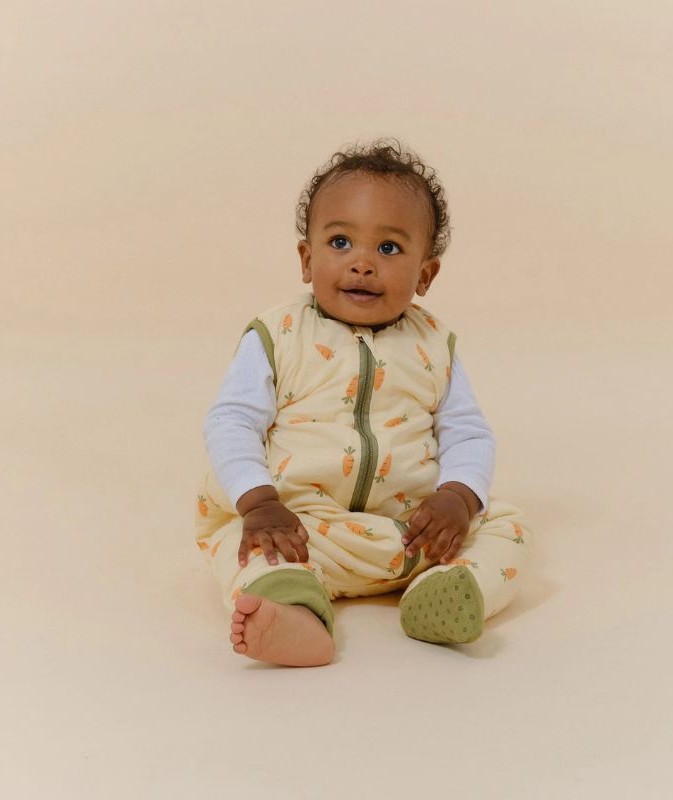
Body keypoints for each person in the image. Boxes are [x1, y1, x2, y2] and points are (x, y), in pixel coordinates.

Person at [195, 138, 532, 667]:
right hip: (299, 528)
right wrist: (259, 503)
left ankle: (443, 593)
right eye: (340, 242)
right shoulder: (278, 335)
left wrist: (457, 499)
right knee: (244, 545)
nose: (362, 264)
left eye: (389, 249)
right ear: (307, 259)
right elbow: (231, 421)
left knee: (507, 526)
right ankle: (294, 611)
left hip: (413, 533)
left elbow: (467, 431)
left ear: (425, 275)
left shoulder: (433, 344)